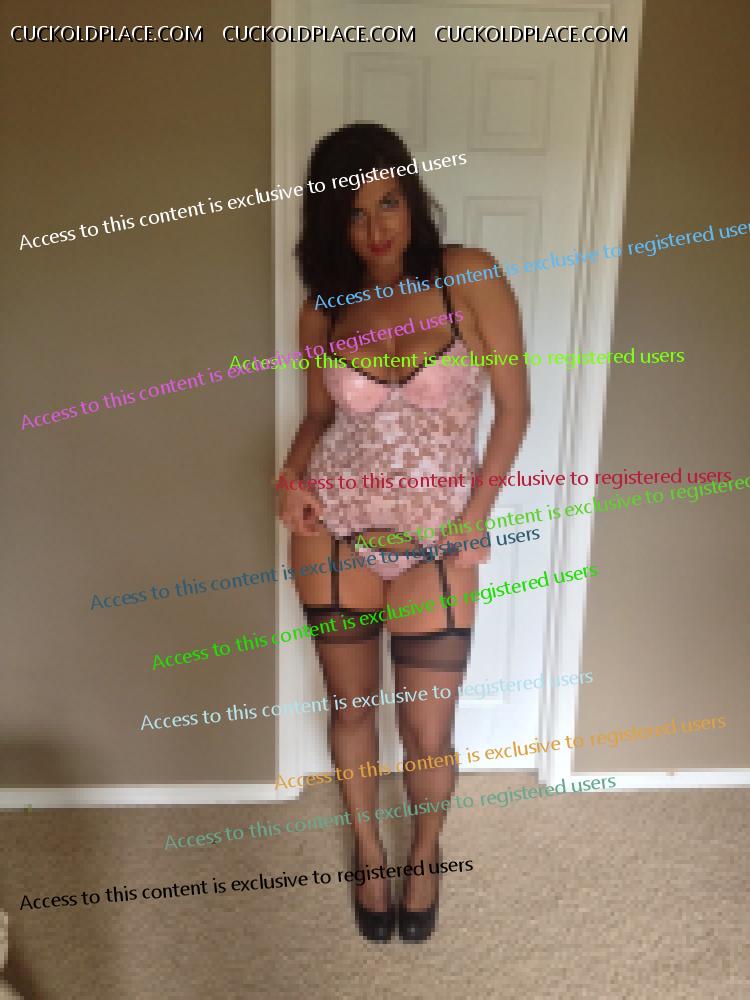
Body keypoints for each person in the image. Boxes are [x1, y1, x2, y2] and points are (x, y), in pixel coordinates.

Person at [275, 123, 529, 942]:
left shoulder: (467, 276)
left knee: (427, 728)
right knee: (351, 707)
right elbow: (319, 418)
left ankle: (424, 853)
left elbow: (513, 410)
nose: (376, 227)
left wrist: (474, 521)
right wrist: (290, 476)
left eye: (388, 202)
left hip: (439, 540)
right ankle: (368, 849)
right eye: (353, 213)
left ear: (413, 198)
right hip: (335, 531)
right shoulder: (325, 308)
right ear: (331, 224)